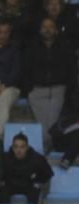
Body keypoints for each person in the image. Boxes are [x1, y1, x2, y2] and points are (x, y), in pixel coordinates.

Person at [24, 18, 75, 152]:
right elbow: (25, 68)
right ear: (40, 29)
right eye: (44, 26)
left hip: (59, 89)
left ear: (56, 30)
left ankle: (50, 148)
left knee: (53, 122)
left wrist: (67, 90)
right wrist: (29, 88)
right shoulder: (31, 46)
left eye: (51, 26)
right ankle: (47, 148)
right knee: (42, 124)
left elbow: (72, 69)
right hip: (37, 90)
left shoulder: (66, 46)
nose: (47, 29)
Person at [1, 132, 54, 204]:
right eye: (16, 147)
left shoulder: (36, 159)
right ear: (12, 147)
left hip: (29, 185)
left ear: (27, 147)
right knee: (2, 190)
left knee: (35, 189)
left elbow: (48, 173)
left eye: (22, 147)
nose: (18, 150)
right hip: (11, 185)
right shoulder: (5, 158)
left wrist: (38, 180)